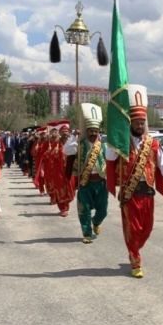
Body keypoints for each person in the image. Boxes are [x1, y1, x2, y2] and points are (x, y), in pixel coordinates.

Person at [106, 85, 163, 278]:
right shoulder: (121, 143)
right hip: (129, 196)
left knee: (146, 229)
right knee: (132, 229)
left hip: (147, 194)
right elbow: (110, 159)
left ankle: (136, 248)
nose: (139, 126)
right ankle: (135, 259)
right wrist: (114, 139)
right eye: (136, 122)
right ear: (130, 123)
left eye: (141, 122)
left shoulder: (152, 143)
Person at [65, 104, 108, 243]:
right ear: (87, 131)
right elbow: (66, 151)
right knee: (84, 210)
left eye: (95, 131)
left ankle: (96, 222)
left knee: (103, 211)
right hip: (85, 182)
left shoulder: (103, 146)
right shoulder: (79, 144)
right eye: (90, 131)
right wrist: (73, 137)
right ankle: (87, 233)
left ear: (98, 131)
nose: (93, 133)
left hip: (101, 183)